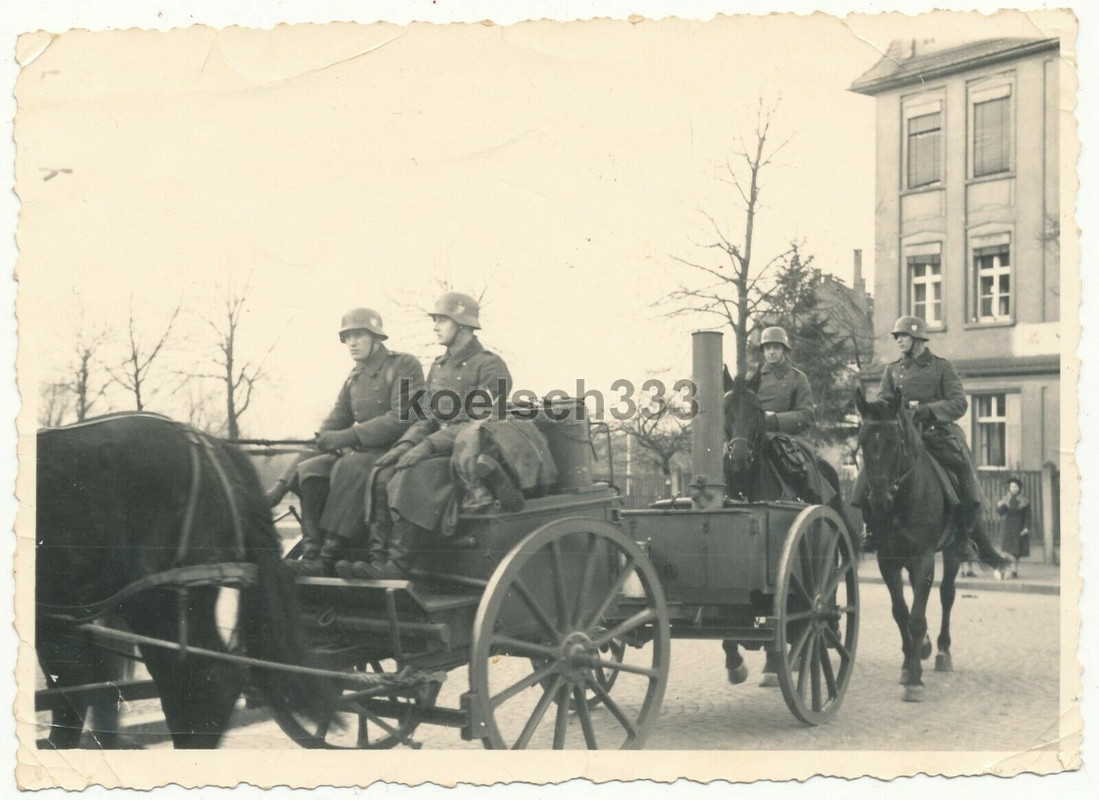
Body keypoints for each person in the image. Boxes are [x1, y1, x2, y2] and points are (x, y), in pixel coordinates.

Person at [336, 291, 516, 580]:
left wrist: (426, 447)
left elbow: (478, 423)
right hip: (440, 446)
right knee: (383, 471)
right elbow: (427, 416)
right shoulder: (439, 366)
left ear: (463, 325)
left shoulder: (490, 366)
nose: (435, 326)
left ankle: (398, 565)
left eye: (442, 320)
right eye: (435, 320)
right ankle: (377, 559)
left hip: (469, 452)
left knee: (414, 474)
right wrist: (405, 444)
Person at [266, 307, 424, 576]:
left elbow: (403, 418)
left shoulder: (403, 365)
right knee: (311, 470)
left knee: (348, 467)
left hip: (395, 452)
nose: (351, 343)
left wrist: (346, 436)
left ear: (376, 338)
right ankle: (313, 553)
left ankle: (329, 556)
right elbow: (332, 425)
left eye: (359, 335)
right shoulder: (354, 378)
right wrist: (281, 486)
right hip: (363, 454)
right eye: (347, 337)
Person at [723, 325, 822, 685]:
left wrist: (773, 421)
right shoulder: (751, 379)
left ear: (785, 350)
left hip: (784, 438)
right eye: (766, 349)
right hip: (749, 442)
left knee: (802, 468)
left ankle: (813, 515)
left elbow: (807, 414)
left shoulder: (797, 379)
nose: (771, 354)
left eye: (776, 348)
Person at [852, 315, 985, 553]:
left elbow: (959, 403)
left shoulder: (942, 367)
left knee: (962, 467)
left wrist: (928, 410)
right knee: (869, 471)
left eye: (903, 336)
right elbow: (884, 402)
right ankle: (870, 528)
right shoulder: (892, 370)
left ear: (918, 338)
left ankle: (965, 535)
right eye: (897, 337)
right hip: (899, 437)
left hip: (936, 433)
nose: (899, 341)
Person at [996, 476, 1031, 579]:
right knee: (1007, 550)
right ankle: (1007, 570)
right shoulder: (1006, 499)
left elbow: (1028, 515)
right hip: (1008, 526)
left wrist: (1026, 527)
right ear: (1009, 488)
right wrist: (1000, 506)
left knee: (1017, 550)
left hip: (1019, 526)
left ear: (1019, 488)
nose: (1013, 488)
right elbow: (1001, 513)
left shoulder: (1024, 500)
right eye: (1011, 486)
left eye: (1015, 486)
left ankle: (1015, 571)